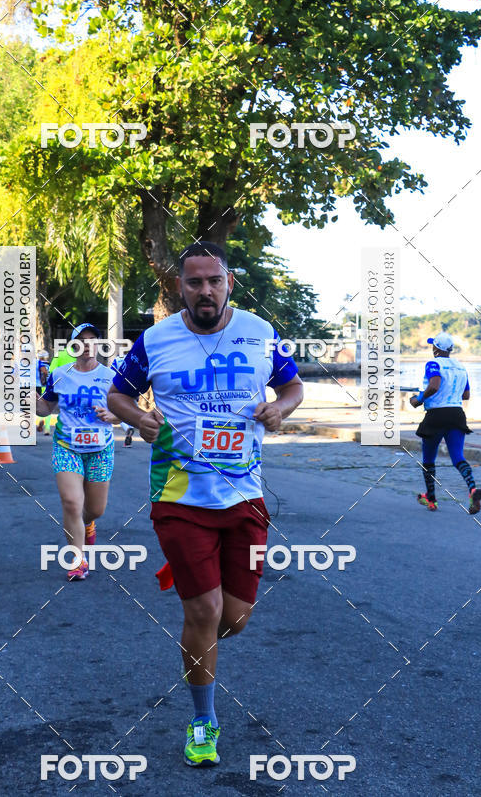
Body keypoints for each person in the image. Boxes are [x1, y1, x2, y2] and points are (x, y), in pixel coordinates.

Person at [107, 241, 304, 768]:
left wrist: (279, 408)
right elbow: (117, 396)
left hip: (245, 496)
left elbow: (293, 386)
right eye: (194, 282)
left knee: (234, 618)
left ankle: (199, 627)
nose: (205, 290)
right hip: (179, 495)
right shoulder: (156, 339)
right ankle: (203, 719)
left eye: (214, 280)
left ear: (229, 283)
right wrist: (138, 418)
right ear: (179, 287)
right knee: (206, 610)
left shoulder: (261, 333)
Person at [36, 324, 119, 581]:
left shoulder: (110, 375)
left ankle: (88, 523)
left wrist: (113, 415)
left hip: (100, 449)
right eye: (81, 341)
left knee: (94, 509)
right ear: (72, 346)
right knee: (72, 503)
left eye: (93, 340)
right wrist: (24, 394)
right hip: (66, 447)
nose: (87, 345)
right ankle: (77, 559)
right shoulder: (60, 374)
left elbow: (125, 411)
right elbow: (45, 409)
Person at [410, 332, 481, 514]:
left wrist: (418, 400)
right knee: (458, 457)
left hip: (436, 416)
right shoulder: (461, 367)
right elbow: (465, 395)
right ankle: (473, 489)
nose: (432, 348)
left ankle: (432, 499)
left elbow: (434, 385)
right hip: (457, 415)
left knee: (428, 459)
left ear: (436, 348)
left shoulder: (433, 364)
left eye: (432, 346)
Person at [35, 350, 50, 433]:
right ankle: (47, 428)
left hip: (41, 386)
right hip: (49, 387)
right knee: (48, 407)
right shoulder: (49, 364)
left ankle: (40, 419)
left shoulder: (38, 364)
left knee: (39, 406)